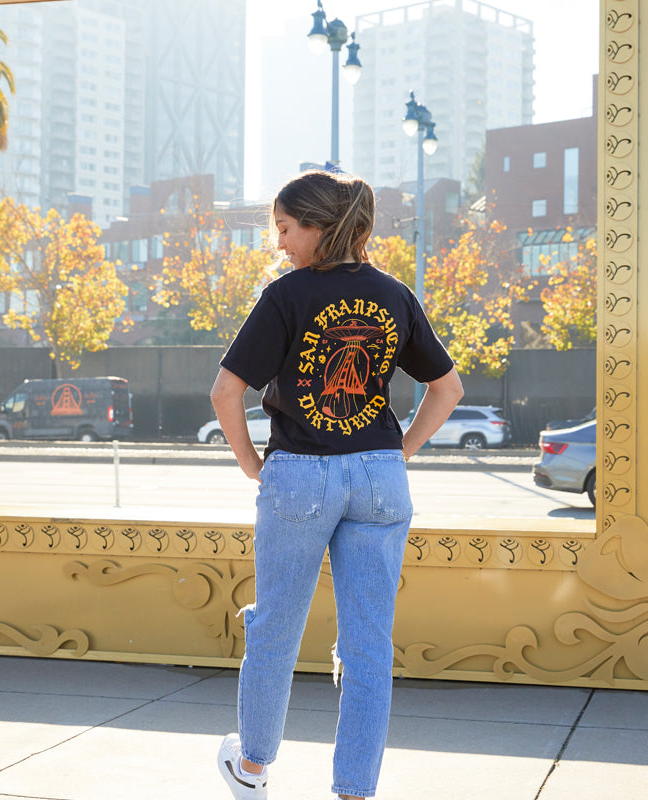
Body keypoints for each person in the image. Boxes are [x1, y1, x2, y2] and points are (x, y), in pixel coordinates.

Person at [213, 170, 464, 800]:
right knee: (368, 643)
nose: (281, 244)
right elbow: (448, 388)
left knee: (276, 625)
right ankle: (354, 789)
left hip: (299, 474)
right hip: (380, 477)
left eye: (286, 229)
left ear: (320, 228)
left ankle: (253, 767)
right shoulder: (396, 294)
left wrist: (251, 463)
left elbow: (226, 391)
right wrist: (397, 449)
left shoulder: (286, 295)